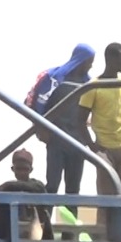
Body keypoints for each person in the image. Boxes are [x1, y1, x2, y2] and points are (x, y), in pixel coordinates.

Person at [79, 43, 121, 235]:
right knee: (106, 200)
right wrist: (93, 147)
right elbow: (79, 120)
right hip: (105, 149)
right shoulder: (93, 86)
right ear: (111, 59)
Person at [25, 43, 97, 195]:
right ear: (81, 60)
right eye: (89, 61)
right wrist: (40, 128)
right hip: (56, 142)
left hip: (78, 143)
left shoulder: (89, 85)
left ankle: (72, 219)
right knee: (52, 186)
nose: (91, 65)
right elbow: (33, 102)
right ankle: (47, 219)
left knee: (73, 189)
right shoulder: (54, 79)